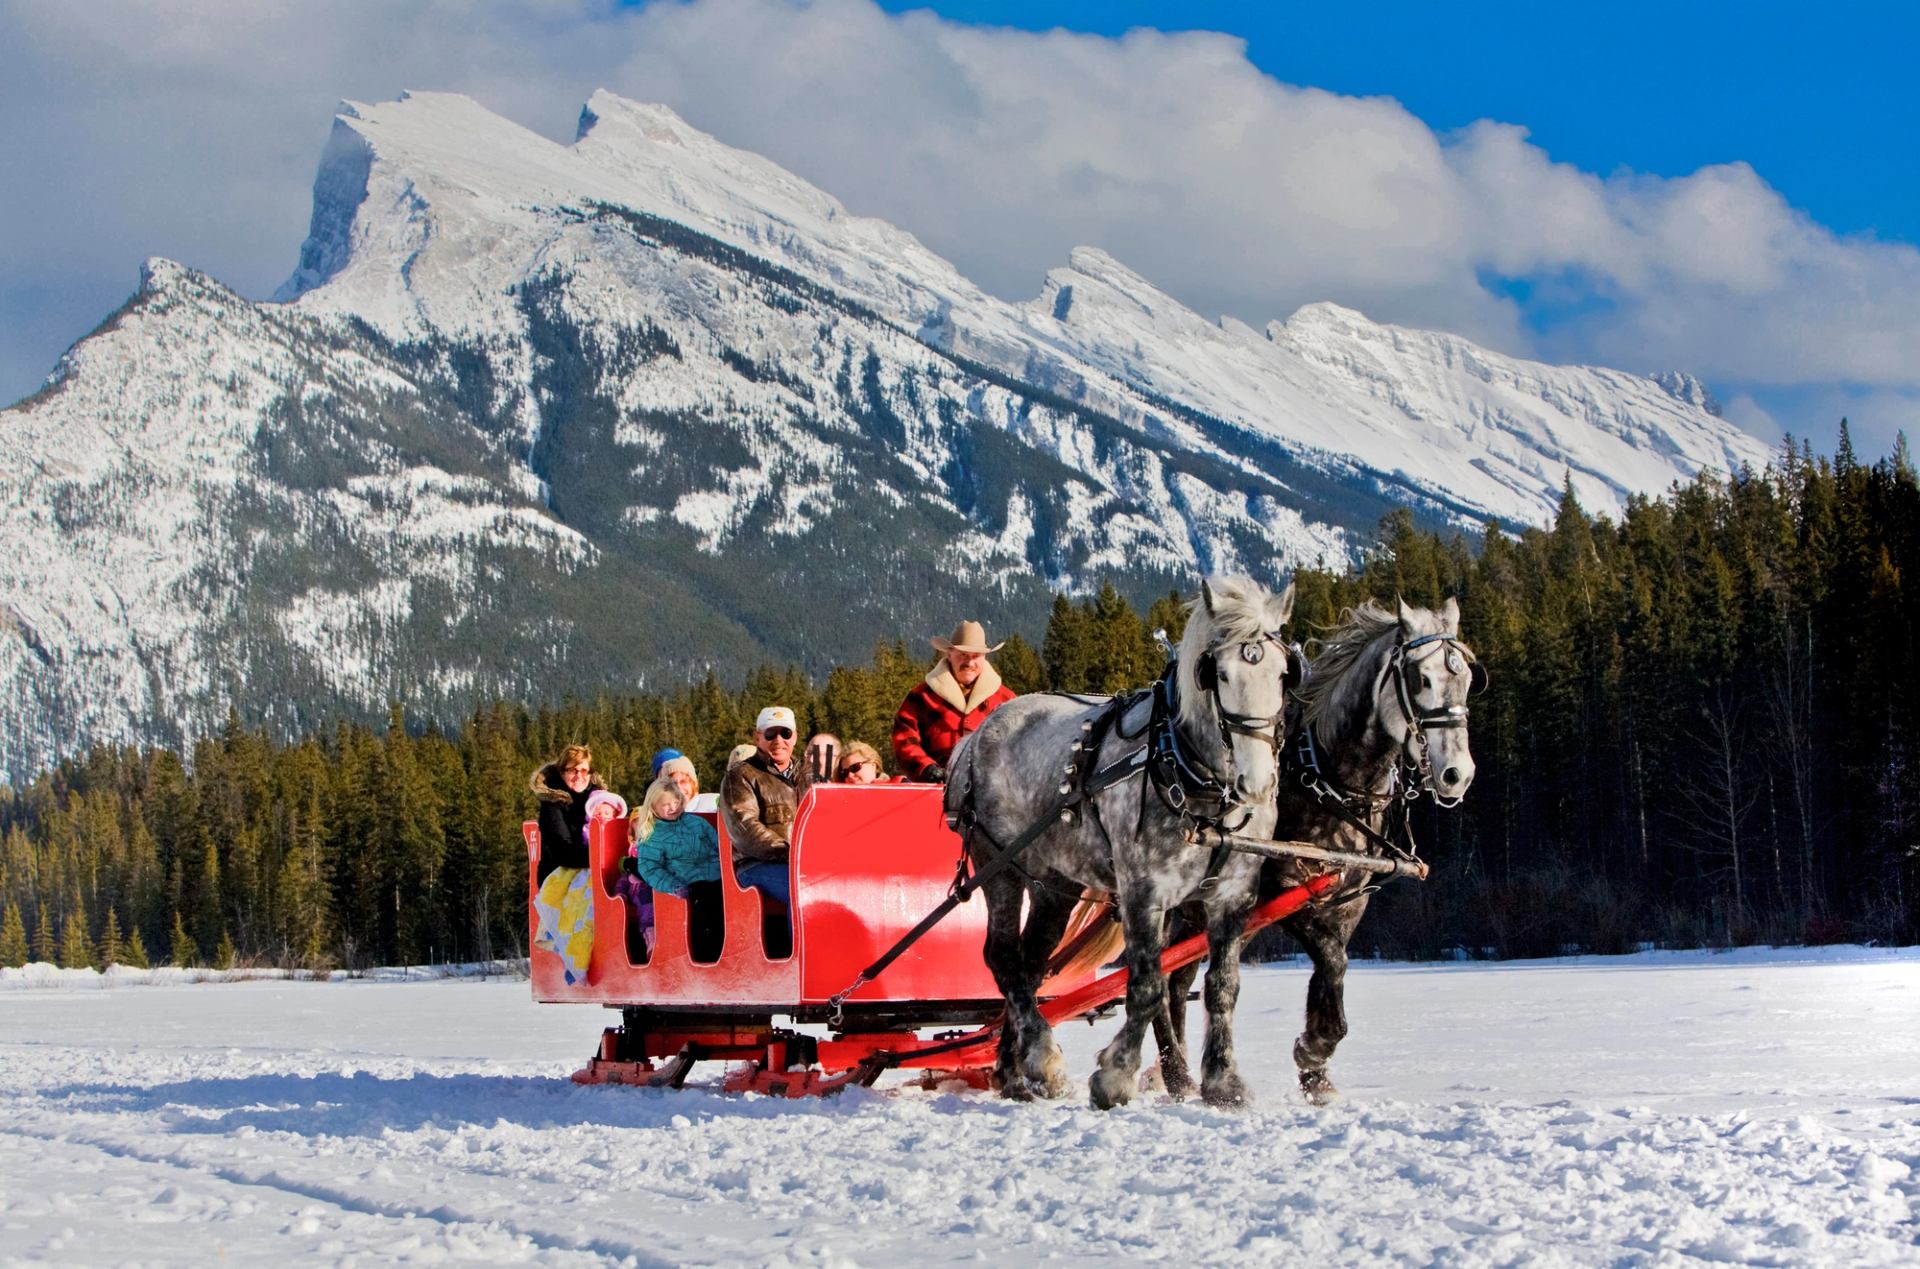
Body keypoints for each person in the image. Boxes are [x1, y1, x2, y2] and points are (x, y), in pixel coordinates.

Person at [892, 620, 1017, 782]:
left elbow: (1019, 744)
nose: (969, 662)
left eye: (976, 656)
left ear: (985, 657)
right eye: (963, 655)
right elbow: (904, 739)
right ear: (949, 654)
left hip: (990, 794)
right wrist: (926, 768)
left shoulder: (1006, 699)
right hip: (935, 792)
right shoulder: (921, 696)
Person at [720, 705, 810, 910]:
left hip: (803, 863)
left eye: (785, 733)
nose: (779, 740)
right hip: (755, 864)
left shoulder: (808, 776)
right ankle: (798, 944)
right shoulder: (741, 775)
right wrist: (790, 853)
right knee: (802, 889)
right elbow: (745, 827)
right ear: (757, 737)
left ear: (794, 737)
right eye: (770, 734)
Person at [529, 745, 604, 984]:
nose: (578, 776)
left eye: (584, 770)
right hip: (560, 872)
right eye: (572, 770)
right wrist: (600, 858)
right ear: (561, 772)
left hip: (592, 866)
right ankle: (577, 960)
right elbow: (562, 850)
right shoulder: (553, 804)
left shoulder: (600, 801)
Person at [629, 775, 723, 960]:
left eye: (676, 801)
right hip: (690, 881)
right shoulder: (652, 833)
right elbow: (650, 867)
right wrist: (672, 885)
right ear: (653, 806)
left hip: (718, 875)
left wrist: (726, 867)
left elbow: (717, 844)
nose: (673, 808)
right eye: (666, 804)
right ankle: (708, 958)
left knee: (729, 905)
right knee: (705, 912)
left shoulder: (696, 823)